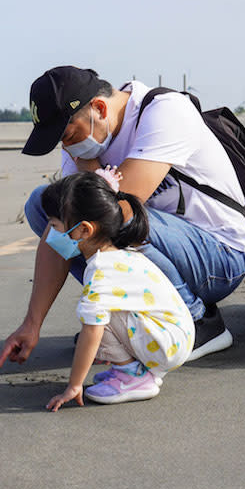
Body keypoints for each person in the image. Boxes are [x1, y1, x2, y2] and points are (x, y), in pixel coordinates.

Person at [0, 65, 245, 373]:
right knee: (44, 204)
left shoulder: (164, 111)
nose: (67, 147)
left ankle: (198, 321)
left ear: (100, 108)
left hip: (218, 257)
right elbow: (64, 233)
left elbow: (117, 214)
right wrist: (31, 324)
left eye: (67, 135)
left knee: (113, 219)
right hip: (159, 247)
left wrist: (87, 163)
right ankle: (132, 320)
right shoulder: (84, 137)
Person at [37, 171, 194, 411]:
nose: (51, 234)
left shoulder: (102, 269)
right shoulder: (120, 254)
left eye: (54, 226)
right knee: (97, 312)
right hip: (174, 336)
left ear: (84, 230)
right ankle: (134, 369)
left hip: (167, 344)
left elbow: (92, 330)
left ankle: (132, 376)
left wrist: (74, 385)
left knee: (93, 317)